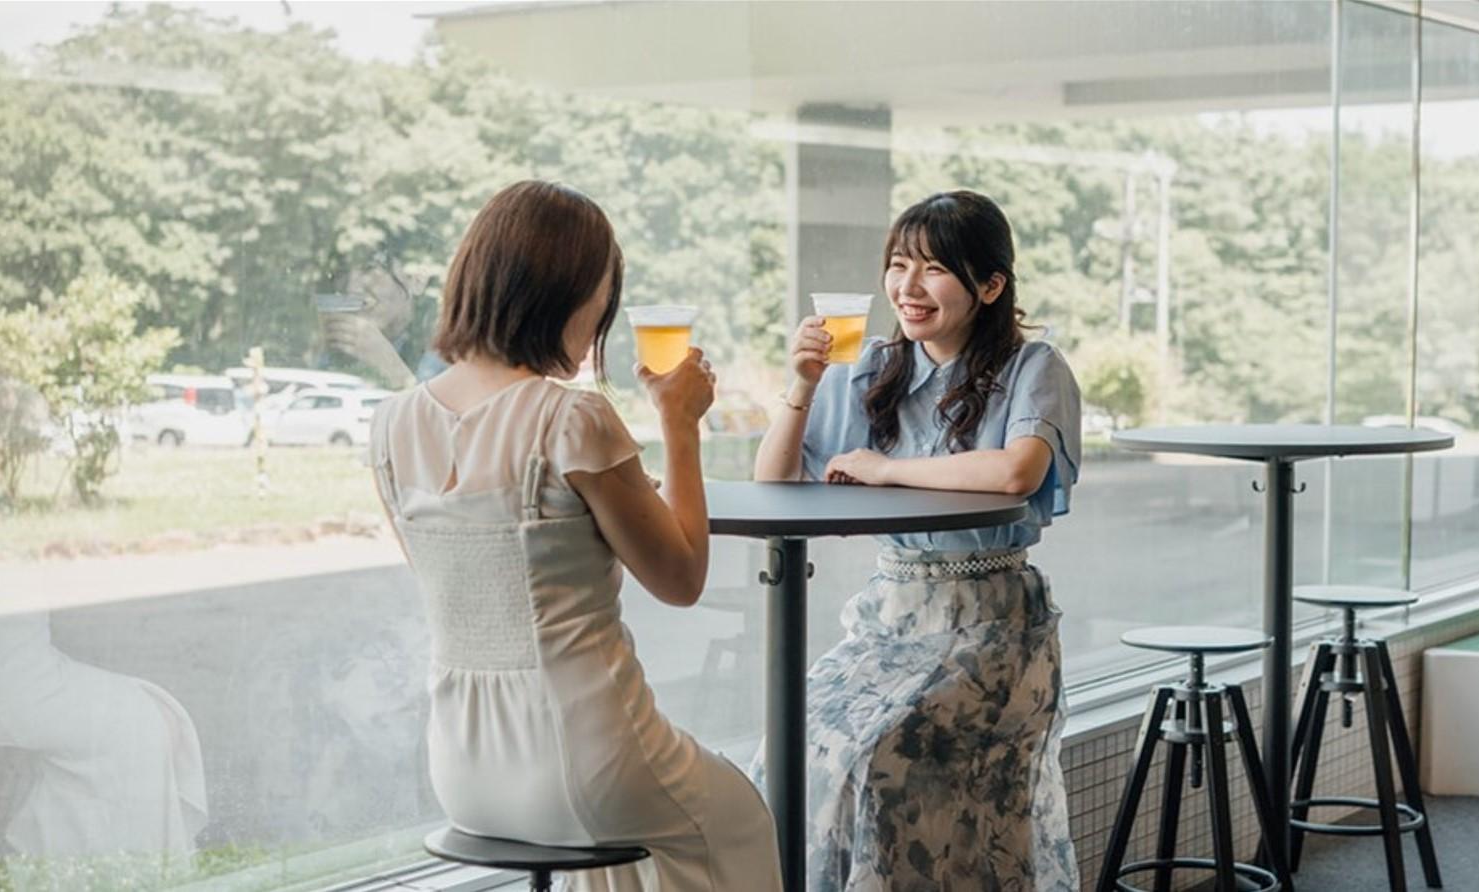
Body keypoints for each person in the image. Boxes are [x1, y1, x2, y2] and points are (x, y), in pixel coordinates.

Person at [369, 180, 780, 892]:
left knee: (623, 856)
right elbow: (680, 579)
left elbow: (455, 581)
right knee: (738, 817)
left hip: (463, 768)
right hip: (590, 754)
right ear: (570, 294)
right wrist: (682, 426)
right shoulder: (572, 419)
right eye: (603, 297)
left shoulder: (392, 423)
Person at [754, 190, 1082, 890]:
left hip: (995, 627)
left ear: (990, 285)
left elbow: (1017, 469)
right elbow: (773, 482)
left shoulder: (1034, 368)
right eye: (899, 264)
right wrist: (803, 385)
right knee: (788, 752)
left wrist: (885, 469)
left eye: (934, 268)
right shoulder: (872, 367)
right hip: (889, 619)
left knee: (882, 761)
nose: (908, 286)